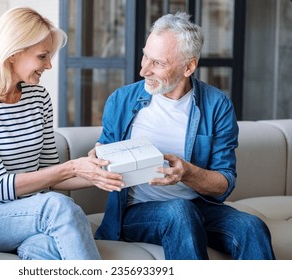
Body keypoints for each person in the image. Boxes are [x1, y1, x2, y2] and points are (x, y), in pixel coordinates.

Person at [91, 12, 275, 260]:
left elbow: (224, 183)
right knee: (180, 212)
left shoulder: (216, 105)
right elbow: (105, 158)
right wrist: (99, 159)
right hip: (136, 211)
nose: (143, 69)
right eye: (145, 55)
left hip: (198, 206)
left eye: (158, 63)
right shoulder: (122, 100)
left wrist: (187, 173)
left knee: (252, 227)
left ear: (189, 66)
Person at [0, 7, 123, 260]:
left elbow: (50, 174)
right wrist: (72, 167)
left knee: (44, 249)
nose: (49, 65)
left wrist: (101, 171)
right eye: (43, 56)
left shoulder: (38, 97)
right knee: (57, 206)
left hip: (29, 219)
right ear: (13, 53)